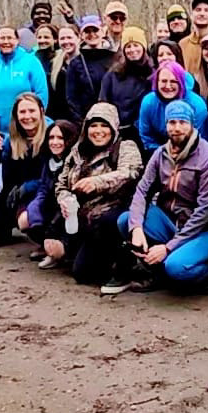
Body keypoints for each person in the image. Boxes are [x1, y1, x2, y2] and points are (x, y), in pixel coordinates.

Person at [107, 100, 208, 294]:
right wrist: (136, 228)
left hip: (201, 231)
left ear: (192, 124)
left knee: (175, 268)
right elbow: (142, 191)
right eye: (172, 122)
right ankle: (155, 270)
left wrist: (168, 248)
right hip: (170, 221)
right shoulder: (160, 153)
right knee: (126, 220)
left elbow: (204, 212)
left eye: (182, 122)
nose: (177, 128)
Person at [53, 103, 143, 283]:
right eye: (93, 125)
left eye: (104, 125)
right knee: (82, 273)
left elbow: (131, 172)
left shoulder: (125, 147)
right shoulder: (77, 151)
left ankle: (127, 263)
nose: (98, 131)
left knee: (107, 224)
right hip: (83, 217)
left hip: (114, 213)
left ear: (113, 127)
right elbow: (61, 184)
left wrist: (97, 182)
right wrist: (64, 199)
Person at [0, 91, 50, 249]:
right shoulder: (12, 139)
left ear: (41, 111)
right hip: (21, 189)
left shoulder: (53, 135)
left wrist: (28, 187)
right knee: (0, 186)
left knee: (28, 217)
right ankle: (1, 232)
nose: (27, 116)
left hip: (46, 191)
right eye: (22, 112)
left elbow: (53, 176)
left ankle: (47, 242)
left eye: (31, 111)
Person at [18, 119, 81, 265]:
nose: (55, 142)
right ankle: (45, 246)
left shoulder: (75, 162)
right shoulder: (48, 161)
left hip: (69, 210)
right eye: (51, 137)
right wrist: (34, 211)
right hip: (50, 205)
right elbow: (43, 188)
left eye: (60, 138)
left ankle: (62, 252)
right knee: (26, 219)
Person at [0, 23, 49, 135]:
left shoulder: (31, 62)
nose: (6, 41)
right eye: (2, 38)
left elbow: (41, 92)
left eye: (10, 38)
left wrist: (34, 119)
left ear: (17, 40)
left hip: (25, 127)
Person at [98, 26, 153, 149]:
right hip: (118, 133)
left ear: (143, 47)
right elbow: (103, 103)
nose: (132, 50)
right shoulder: (113, 75)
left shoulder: (152, 74)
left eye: (136, 45)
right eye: (128, 46)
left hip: (143, 134)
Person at [139, 61, 208, 149]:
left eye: (173, 81)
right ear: (157, 82)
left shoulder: (197, 105)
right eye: (164, 81)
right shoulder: (148, 102)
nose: (168, 86)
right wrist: (162, 153)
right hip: (158, 149)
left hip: (193, 149)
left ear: (181, 82)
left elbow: (200, 138)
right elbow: (146, 135)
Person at [64, 15, 116, 119]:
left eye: (95, 30)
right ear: (81, 35)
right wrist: (81, 120)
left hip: (114, 118)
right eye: (87, 31)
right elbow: (71, 97)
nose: (92, 34)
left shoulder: (115, 59)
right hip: (87, 120)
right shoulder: (75, 64)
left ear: (102, 32)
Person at [42, 24, 78, 122]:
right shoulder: (54, 63)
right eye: (62, 38)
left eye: (69, 38)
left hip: (80, 117)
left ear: (78, 38)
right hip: (60, 119)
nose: (66, 41)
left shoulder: (85, 62)